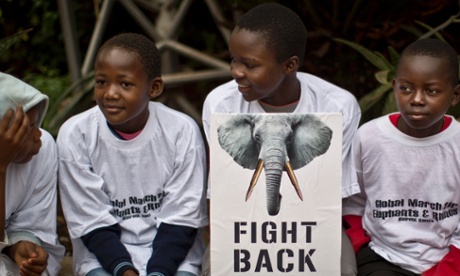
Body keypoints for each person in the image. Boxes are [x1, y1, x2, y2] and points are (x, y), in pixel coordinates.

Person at [201, 3, 361, 276]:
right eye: (233, 60)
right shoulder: (221, 103)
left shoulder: (337, 106)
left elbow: (329, 198)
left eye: (250, 64)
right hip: (242, 224)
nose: (236, 72)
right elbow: (224, 195)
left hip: (314, 224)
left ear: (290, 65)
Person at [57, 33, 208, 276]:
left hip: (174, 258)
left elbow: (182, 216)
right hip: (104, 259)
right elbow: (91, 220)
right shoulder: (76, 134)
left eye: (125, 84)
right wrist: (124, 270)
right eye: (101, 82)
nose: (110, 93)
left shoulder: (181, 130)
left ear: (154, 87)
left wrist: (158, 272)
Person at [343, 38, 460, 275]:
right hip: (381, 256)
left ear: (455, 95)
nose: (416, 99)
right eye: (406, 88)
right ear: (394, 86)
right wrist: (359, 244)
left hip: (446, 260)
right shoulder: (369, 137)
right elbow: (351, 200)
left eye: (431, 91)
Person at [0, 72, 65, 276]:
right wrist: (1, 166)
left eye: (37, 124)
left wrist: (20, 247)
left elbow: (32, 224)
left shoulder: (42, 150)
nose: (39, 135)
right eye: (28, 129)